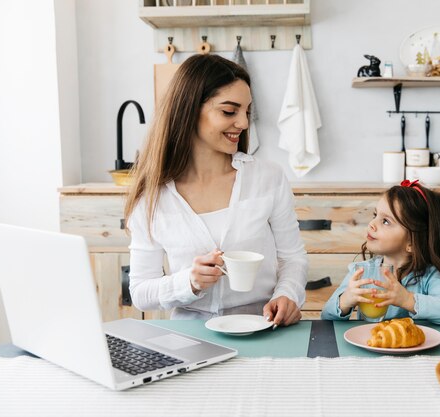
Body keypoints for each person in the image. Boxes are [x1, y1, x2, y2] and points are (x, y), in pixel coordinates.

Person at [124, 54, 307, 326]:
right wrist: (189, 282)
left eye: (246, 111)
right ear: (189, 110)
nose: (244, 124)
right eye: (229, 111)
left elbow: (293, 258)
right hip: (190, 334)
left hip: (262, 325)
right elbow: (140, 292)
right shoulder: (152, 197)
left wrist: (287, 294)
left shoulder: (267, 178)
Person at [321, 180, 440, 326]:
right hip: (370, 343)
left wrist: (407, 300)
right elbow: (326, 316)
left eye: (385, 221)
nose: (372, 224)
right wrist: (346, 299)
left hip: (412, 347)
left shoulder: (428, 277)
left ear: (412, 243)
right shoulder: (361, 272)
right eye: (375, 215)